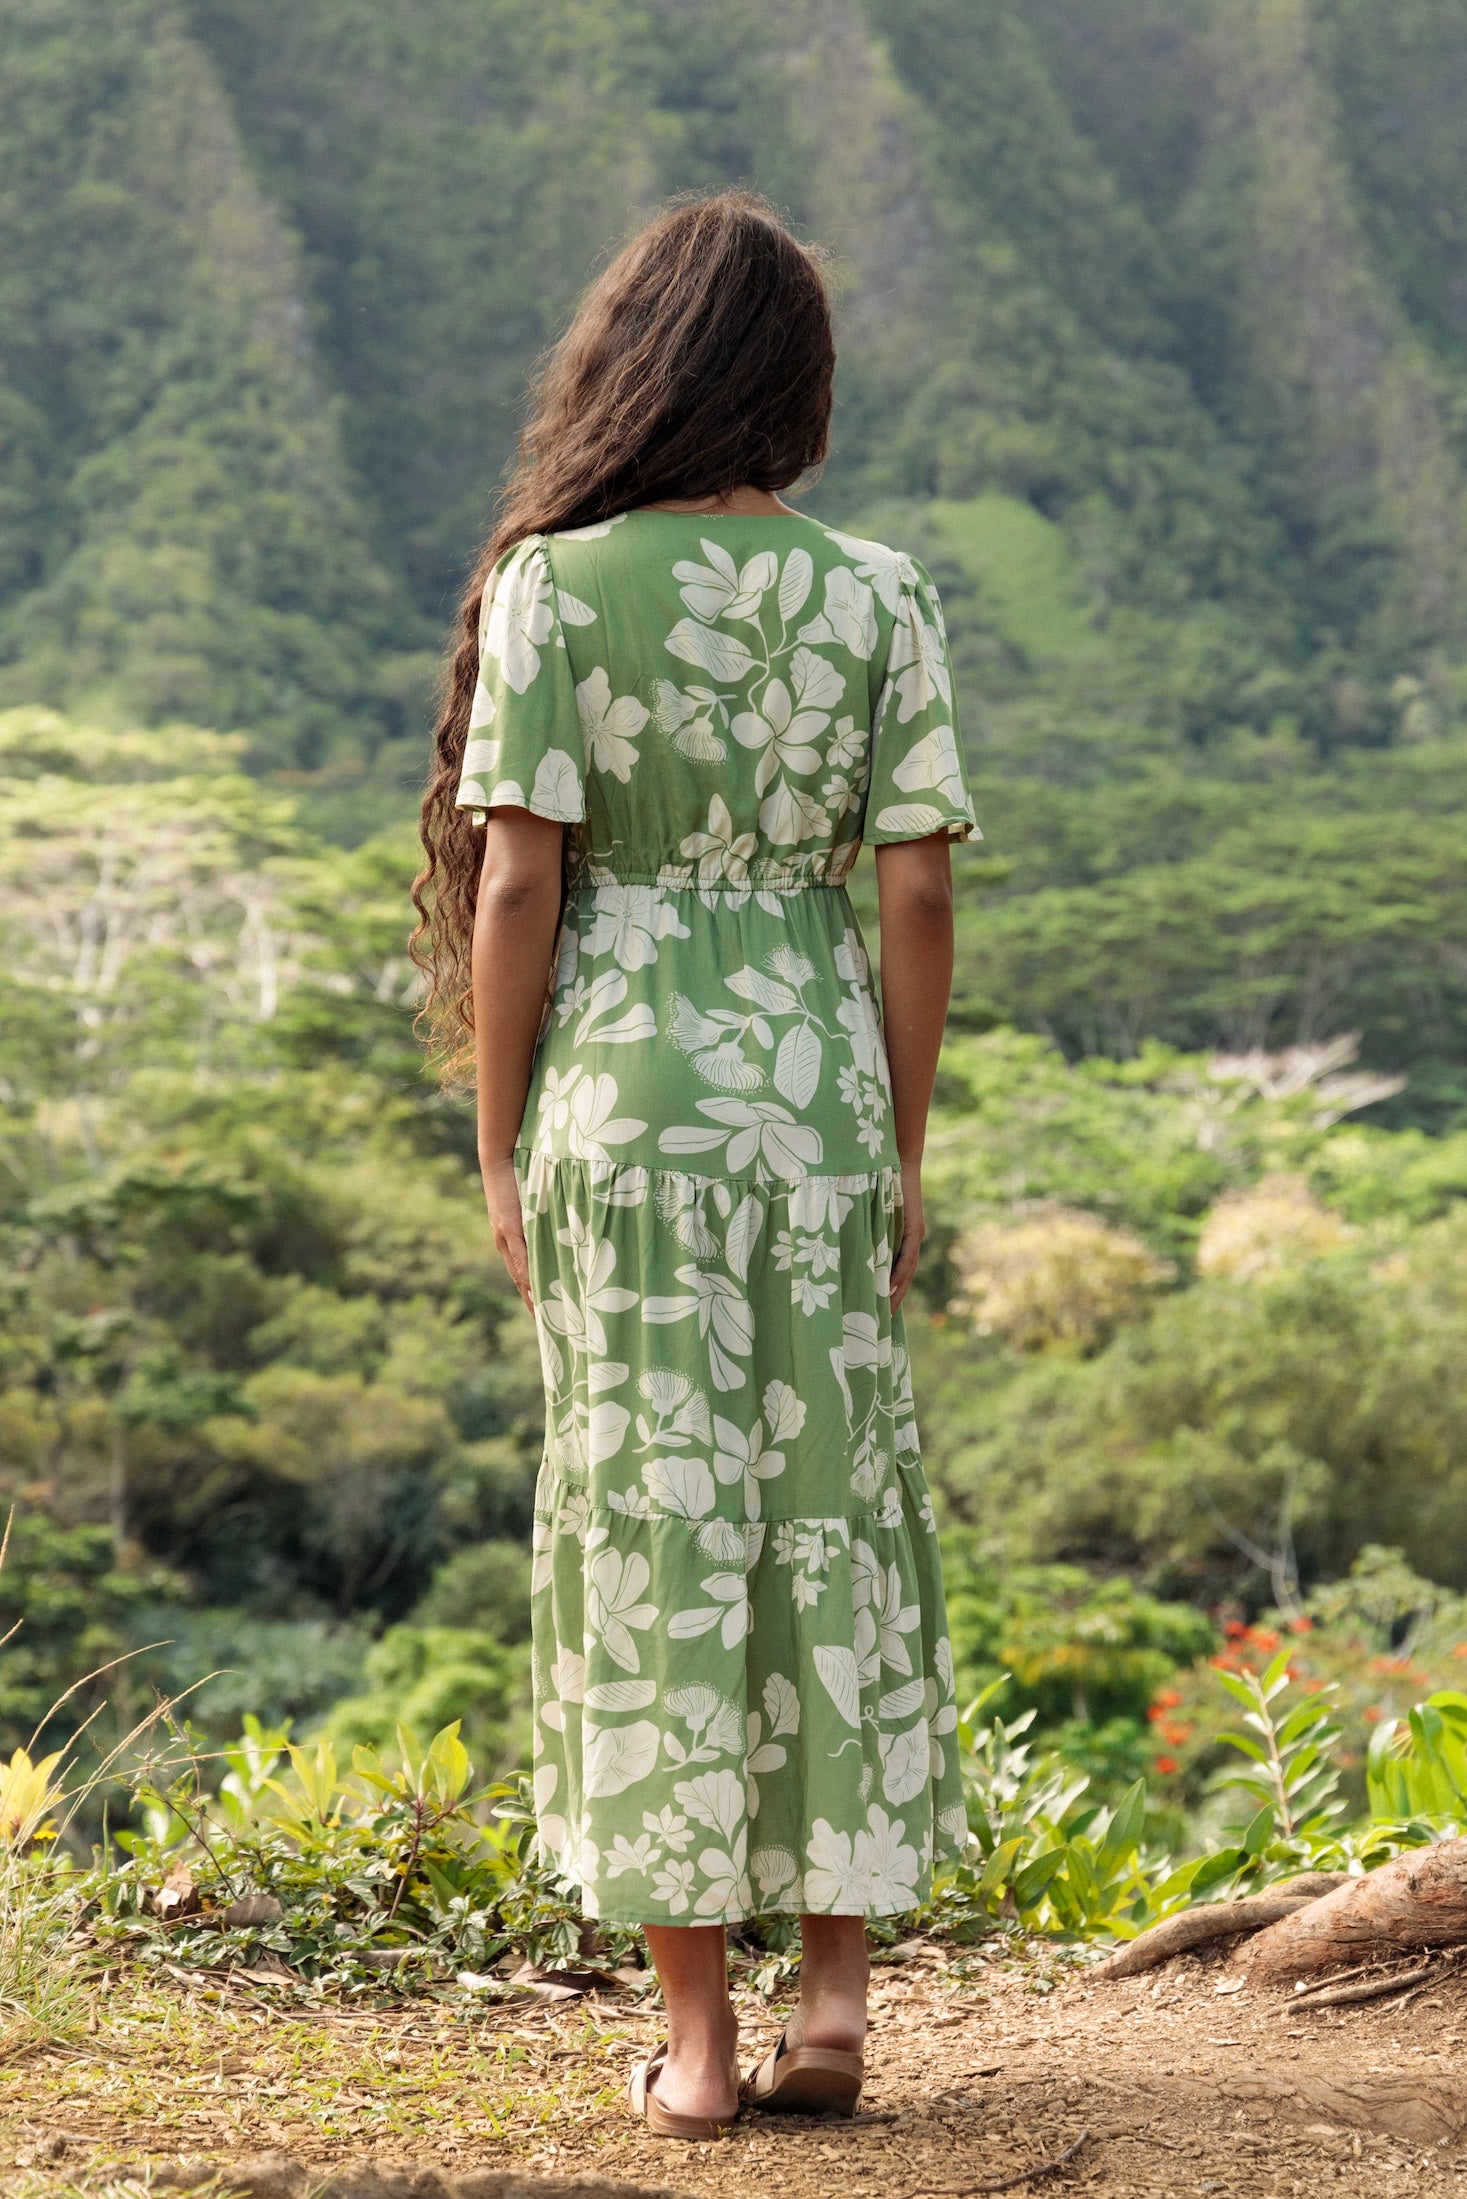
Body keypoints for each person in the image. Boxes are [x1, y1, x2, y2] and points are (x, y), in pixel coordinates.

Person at [413, 189, 978, 2139]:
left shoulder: (558, 590)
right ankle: (831, 2002)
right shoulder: (881, 593)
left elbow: (517, 882)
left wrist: (498, 1138)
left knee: (654, 1528)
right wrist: (897, 1141)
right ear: (796, 384)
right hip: (813, 1096)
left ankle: (702, 2049)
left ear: (629, 372)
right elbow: (911, 884)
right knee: (829, 1509)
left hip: (626, 1099)